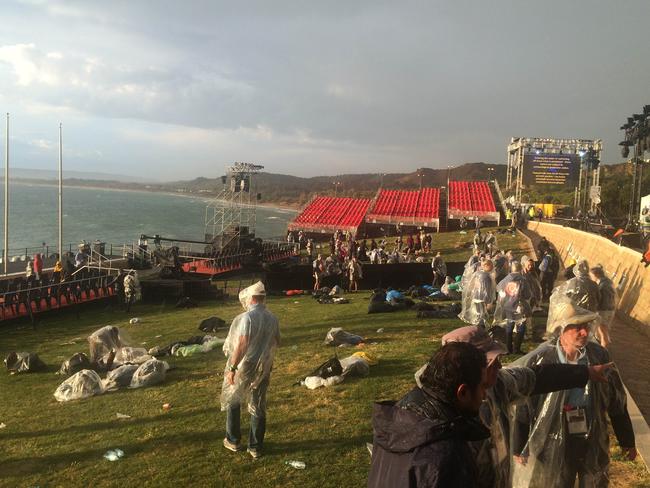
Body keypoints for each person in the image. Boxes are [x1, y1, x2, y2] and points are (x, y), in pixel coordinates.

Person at [439, 325, 612, 488]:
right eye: (491, 363)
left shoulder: (498, 384)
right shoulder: (437, 437)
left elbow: (537, 377)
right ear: (466, 374)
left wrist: (585, 372)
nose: (500, 366)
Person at [511, 299, 637, 487]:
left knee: (595, 480)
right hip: (552, 436)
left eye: (586, 326)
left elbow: (617, 400)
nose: (585, 332)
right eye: (577, 327)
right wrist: (520, 444)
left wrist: (627, 440)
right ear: (560, 328)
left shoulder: (599, 356)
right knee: (557, 482)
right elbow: (525, 405)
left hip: (593, 431)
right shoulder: (543, 359)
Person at [367, 342, 490, 488]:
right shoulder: (449, 456)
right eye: (483, 386)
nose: (485, 395)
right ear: (462, 392)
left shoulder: (394, 420)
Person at [221, 281, 280, 459]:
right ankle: (255, 446)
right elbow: (277, 341)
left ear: (251, 298)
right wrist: (269, 361)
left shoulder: (247, 318)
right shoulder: (273, 318)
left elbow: (242, 344)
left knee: (233, 399)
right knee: (258, 404)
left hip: (246, 365)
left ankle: (233, 439)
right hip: (264, 366)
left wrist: (232, 367)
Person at [494, 261, 532, 354]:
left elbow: (499, 290)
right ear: (520, 269)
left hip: (507, 306)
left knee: (509, 326)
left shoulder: (505, 279)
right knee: (521, 327)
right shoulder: (523, 280)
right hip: (519, 307)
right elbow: (527, 295)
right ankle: (517, 349)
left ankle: (508, 348)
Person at [458, 259, 496, 328]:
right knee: (482, 316)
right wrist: (489, 302)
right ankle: (480, 330)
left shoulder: (478, 273)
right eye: (491, 266)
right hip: (482, 299)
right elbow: (486, 290)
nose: (493, 267)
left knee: (478, 314)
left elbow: (472, 285)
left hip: (476, 297)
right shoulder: (486, 276)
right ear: (486, 266)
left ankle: (478, 328)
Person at [589, 266, 616, 348]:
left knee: (602, 332)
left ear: (596, 274)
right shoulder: (608, 281)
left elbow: (600, 299)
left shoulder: (602, 285)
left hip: (603, 311)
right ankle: (603, 345)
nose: (591, 278)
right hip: (610, 310)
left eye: (591, 276)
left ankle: (603, 351)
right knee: (604, 330)